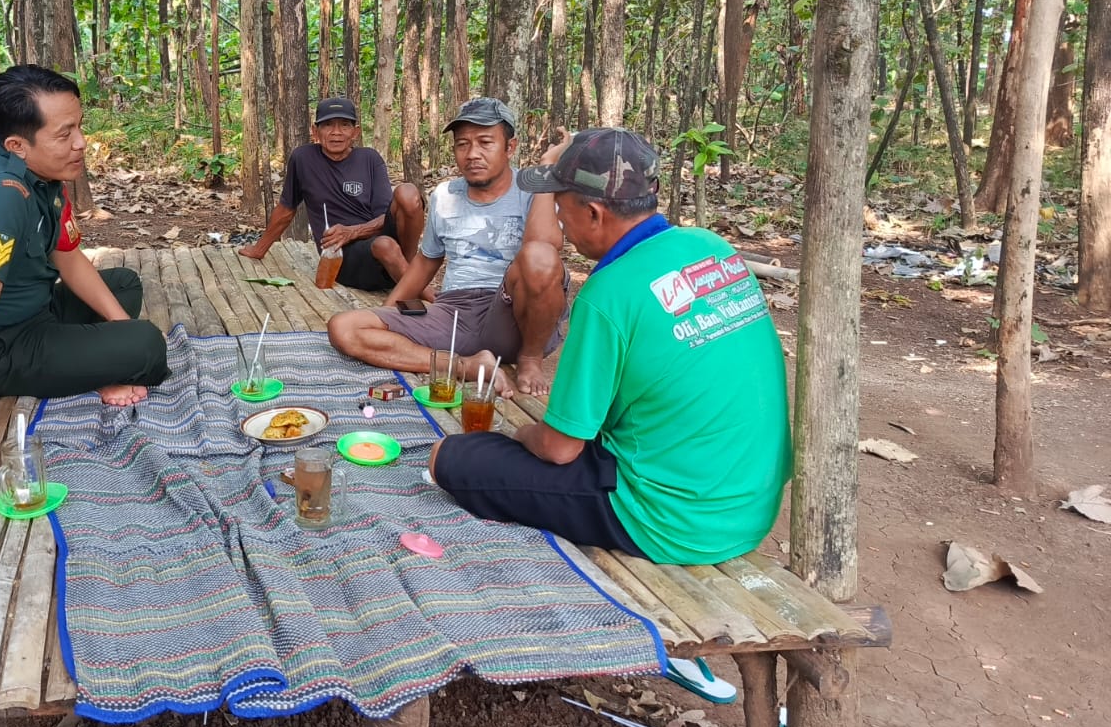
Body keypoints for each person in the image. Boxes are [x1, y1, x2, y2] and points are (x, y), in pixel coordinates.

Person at [427, 127, 793, 567]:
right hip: (751, 506)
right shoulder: (712, 248)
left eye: (562, 209)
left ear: (596, 213)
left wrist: (519, 434)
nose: (560, 222)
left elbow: (561, 448)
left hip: (668, 520)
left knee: (451, 456)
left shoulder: (608, 294)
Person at [0, 66, 169, 471]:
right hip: (2, 348)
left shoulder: (43, 176)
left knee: (123, 286)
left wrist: (118, 328)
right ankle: (93, 368)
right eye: (64, 135)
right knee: (147, 346)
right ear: (17, 144)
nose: (81, 143)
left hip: (40, 311)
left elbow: (66, 256)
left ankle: (92, 359)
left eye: (79, 127)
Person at [326, 97, 569, 395]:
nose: (472, 154)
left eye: (485, 142)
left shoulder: (533, 189)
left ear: (510, 147)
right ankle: (468, 365)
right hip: (455, 312)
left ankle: (529, 359)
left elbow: (546, 248)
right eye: (462, 144)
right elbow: (426, 261)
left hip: (512, 313)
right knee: (344, 328)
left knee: (539, 255)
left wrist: (546, 171)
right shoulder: (445, 195)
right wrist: (387, 315)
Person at [238, 96, 423, 291]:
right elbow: (286, 209)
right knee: (385, 245)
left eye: (344, 125)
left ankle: (409, 271)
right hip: (343, 258)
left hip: (384, 245)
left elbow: (385, 217)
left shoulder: (369, 158)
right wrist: (259, 249)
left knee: (408, 192)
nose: (336, 133)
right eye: (328, 125)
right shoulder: (303, 159)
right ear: (315, 131)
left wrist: (352, 231)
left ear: (355, 132)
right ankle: (424, 291)